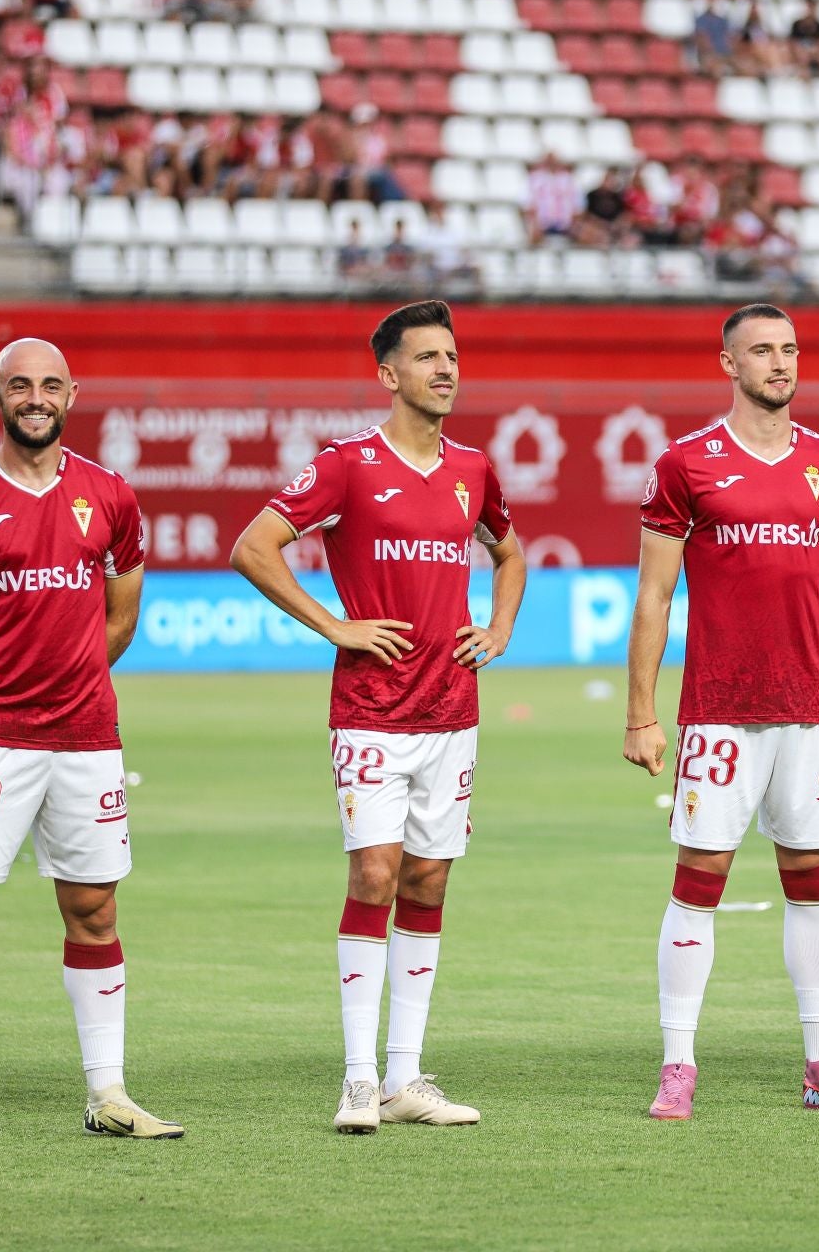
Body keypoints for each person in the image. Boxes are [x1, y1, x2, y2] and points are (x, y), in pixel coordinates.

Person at [230, 301, 526, 1132]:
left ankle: (406, 1079)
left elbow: (511, 552)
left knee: (430, 879)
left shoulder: (474, 470)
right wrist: (335, 625)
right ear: (388, 373)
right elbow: (254, 545)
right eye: (427, 357)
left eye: (452, 356)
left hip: (452, 712)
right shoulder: (348, 465)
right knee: (374, 875)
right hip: (369, 712)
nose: (445, 369)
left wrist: (498, 628)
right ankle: (359, 1079)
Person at [0, 338, 179, 1149]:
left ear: (72, 395)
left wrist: (71, 681)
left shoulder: (111, 496)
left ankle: (109, 1092)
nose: (35, 396)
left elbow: (120, 618)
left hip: (88, 737)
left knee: (94, 909)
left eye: (50, 385)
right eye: (19, 384)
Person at [624, 304, 819, 1121]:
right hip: (718, 713)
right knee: (699, 883)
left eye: (789, 350)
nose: (780, 363)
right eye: (763, 351)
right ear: (728, 364)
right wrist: (642, 713)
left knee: (814, 884)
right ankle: (678, 1065)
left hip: (810, 710)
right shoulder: (687, 464)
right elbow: (655, 595)